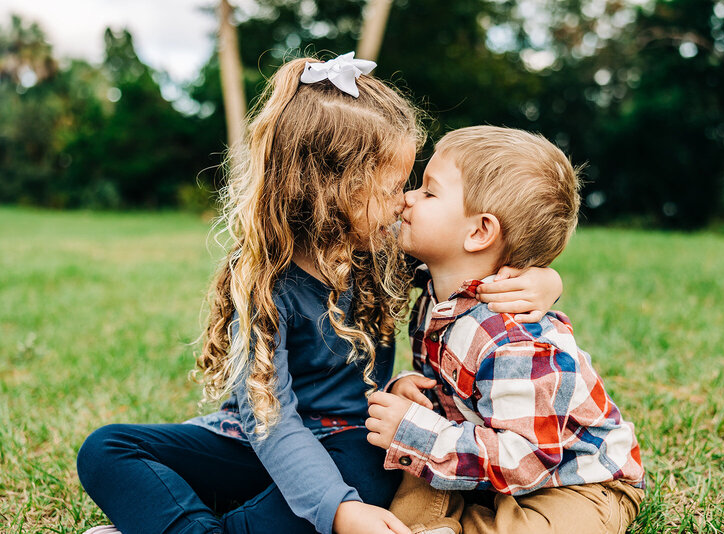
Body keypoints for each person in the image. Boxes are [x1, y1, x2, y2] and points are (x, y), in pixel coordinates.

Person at [76, 56, 563, 534]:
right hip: (258, 443)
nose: (404, 202)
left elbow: (464, 269)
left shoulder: (382, 252)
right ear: (334, 191)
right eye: (393, 187)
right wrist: (340, 514)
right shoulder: (262, 285)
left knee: (375, 466)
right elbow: (271, 421)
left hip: (350, 445)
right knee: (106, 449)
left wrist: (544, 280)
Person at [365, 126, 646, 534]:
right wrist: (413, 390)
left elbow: (528, 460)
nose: (408, 197)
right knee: (403, 478)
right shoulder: (436, 289)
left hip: (576, 483)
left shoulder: (513, 341)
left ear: (479, 232)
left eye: (428, 192)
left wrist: (416, 431)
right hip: (485, 453)